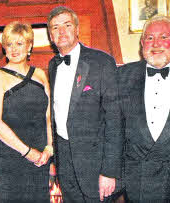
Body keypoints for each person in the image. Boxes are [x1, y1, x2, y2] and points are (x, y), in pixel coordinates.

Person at [47, 6, 123, 202]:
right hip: (65, 164)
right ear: (50, 35)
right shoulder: (53, 65)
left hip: (96, 167)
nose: (61, 32)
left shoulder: (102, 62)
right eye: (55, 28)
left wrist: (109, 171)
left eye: (67, 25)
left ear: (77, 29)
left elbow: (115, 120)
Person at [119, 15, 170, 202]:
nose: (156, 43)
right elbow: (111, 125)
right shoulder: (123, 76)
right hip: (137, 179)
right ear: (142, 43)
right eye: (149, 38)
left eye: (164, 37)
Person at [0, 21, 53, 202]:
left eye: (19, 43)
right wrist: (27, 152)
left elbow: (48, 115)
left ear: (29, 46)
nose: (14, 49)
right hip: (11, 156)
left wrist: (49, 148)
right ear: (4, 48)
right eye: (9, 44)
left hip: (41, 156)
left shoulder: (40, 74)